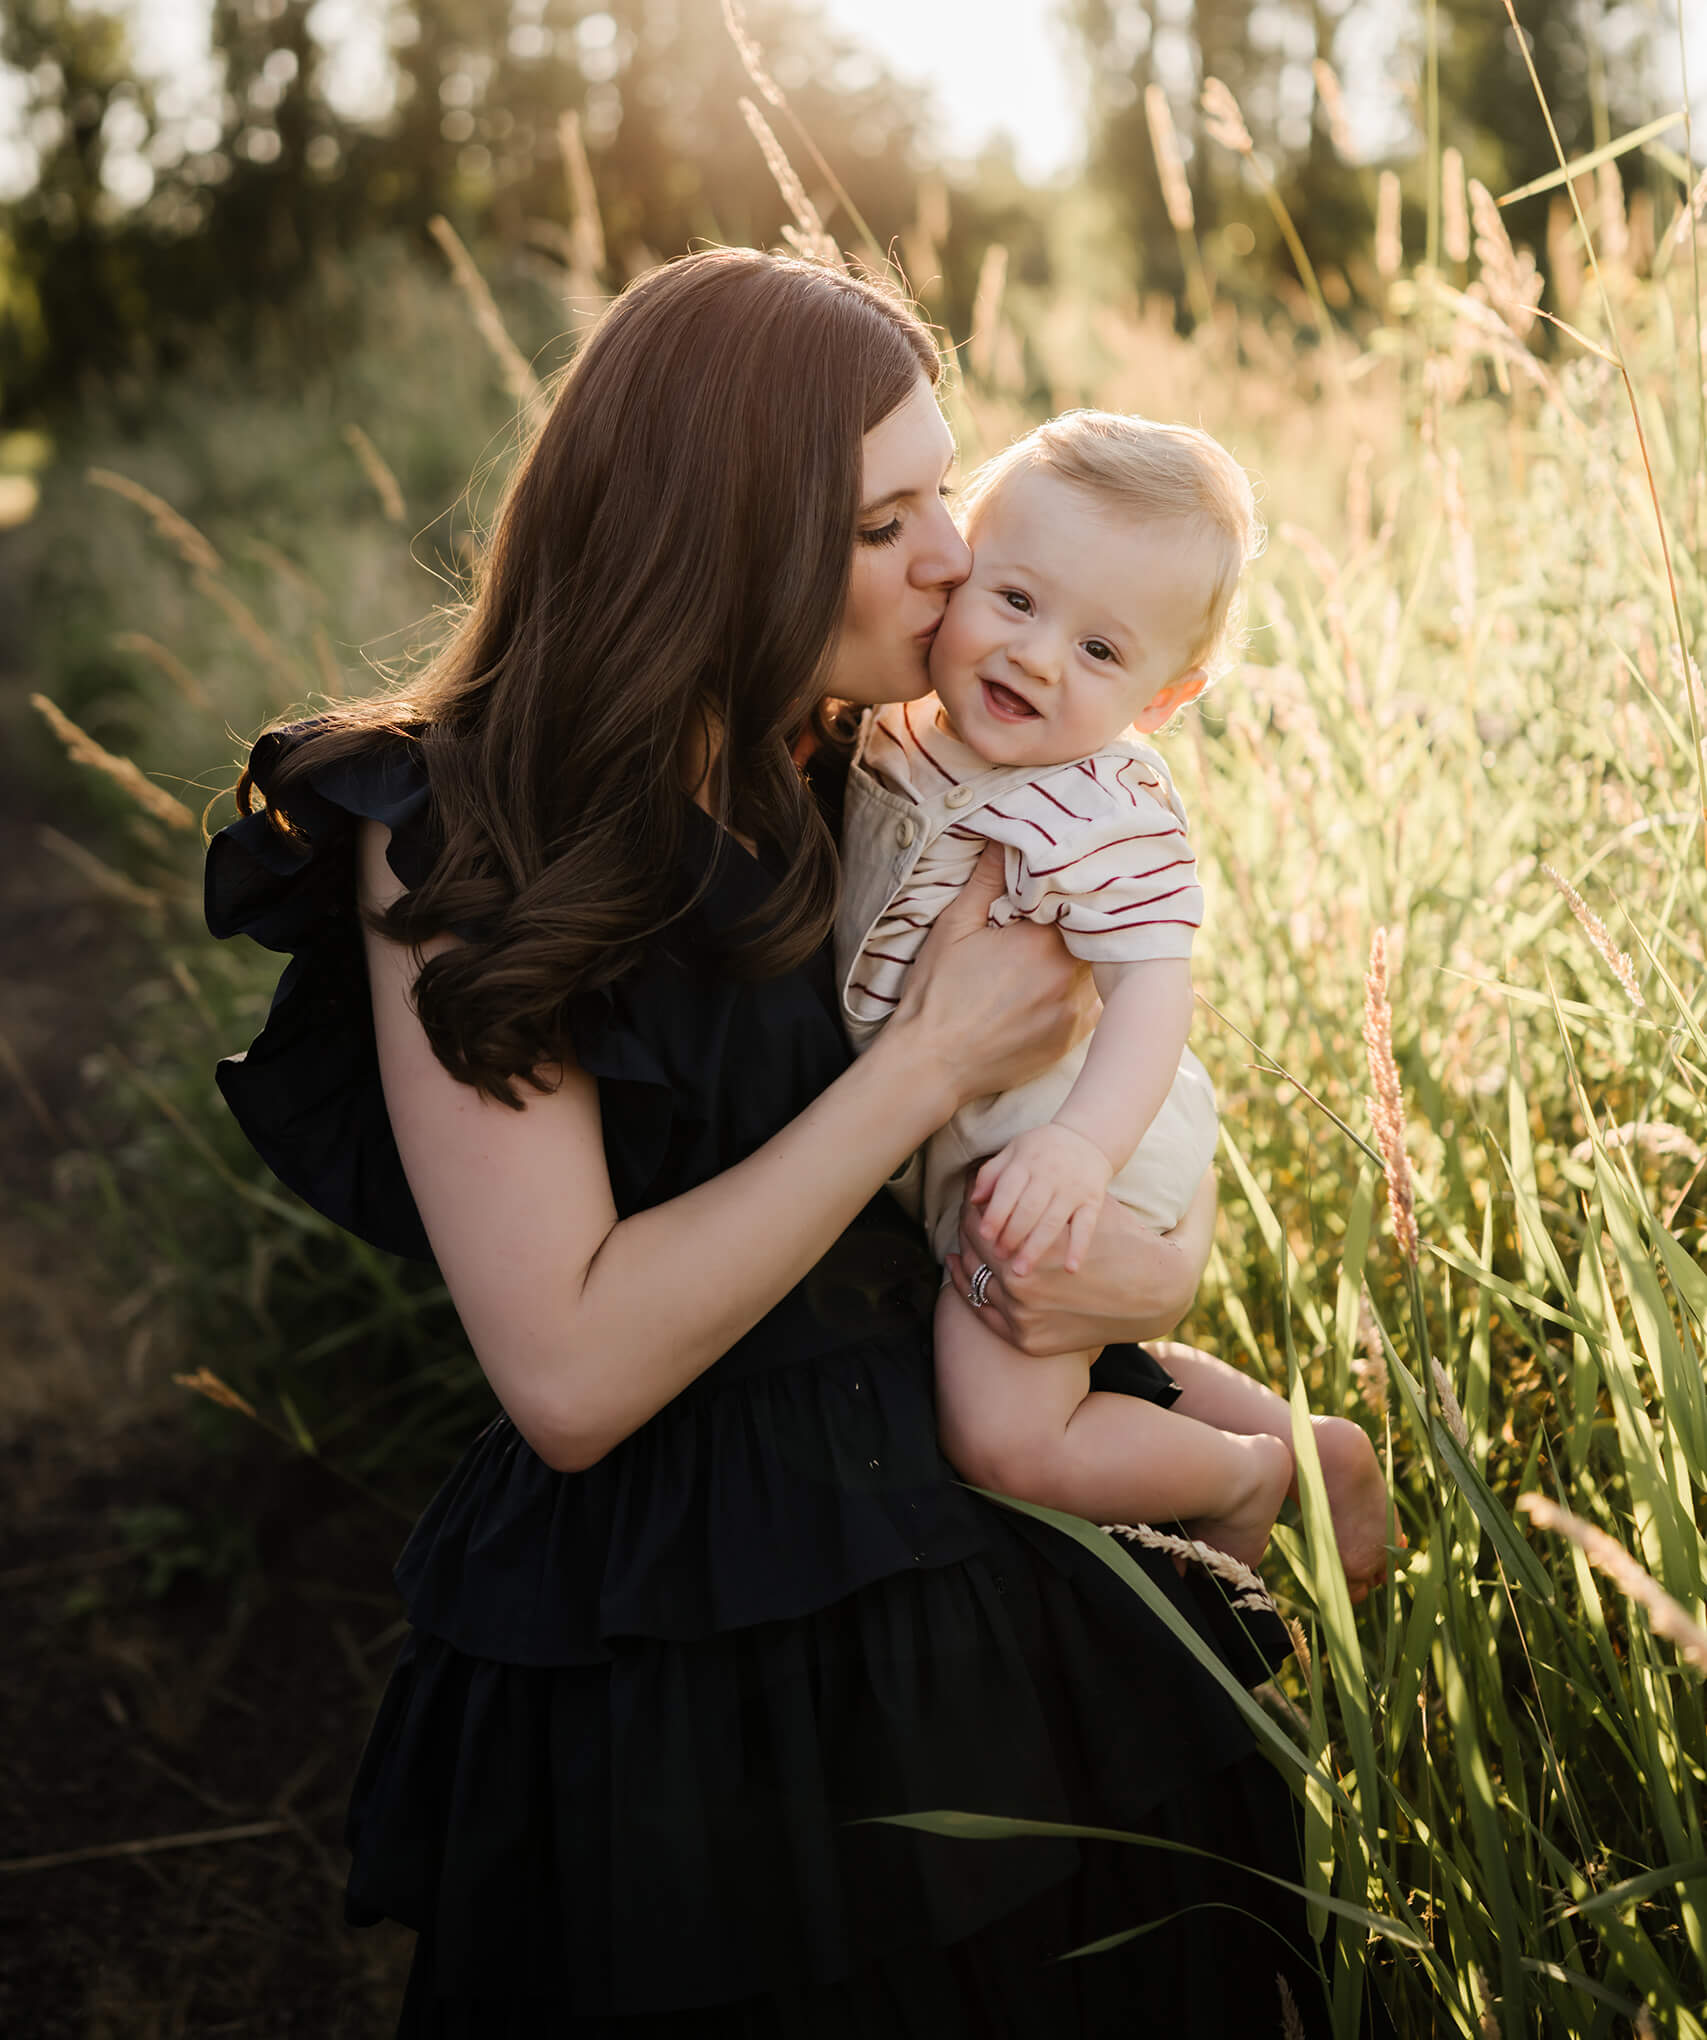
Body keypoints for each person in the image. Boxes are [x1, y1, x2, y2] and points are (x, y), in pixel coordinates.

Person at [204, 247, 1339, 2036]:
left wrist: (1147, 1268)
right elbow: (567, 1375)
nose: (955, 564)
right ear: (725, 531)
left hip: (964, 1528)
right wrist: (915, 1067)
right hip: (692, 1620)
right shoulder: (453, 828)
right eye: (889, 521)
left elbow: (1072, 1128)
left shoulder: (876, 759)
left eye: (940, 496)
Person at [837, 411, 1393, 1595]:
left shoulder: (1112, 808)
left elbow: (1154, 996)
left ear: (1164, 698)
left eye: (1101, 652)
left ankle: (1245, 1479)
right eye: (1019, 600)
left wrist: (1085, 1151)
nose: (1037, 658)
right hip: (973, 1124)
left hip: (1072, 1127)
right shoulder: (900, 722)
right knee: (1065, 1358)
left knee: (1004, 1431)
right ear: (960, 563)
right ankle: (1312, 1448)